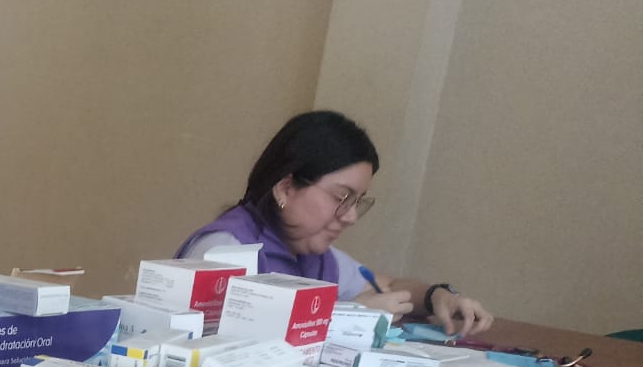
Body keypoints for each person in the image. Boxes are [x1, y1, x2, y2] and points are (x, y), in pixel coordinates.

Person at [176, 110, 493, 336]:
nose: (351, 216)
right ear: (285, 188)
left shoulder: (313, 254)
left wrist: (438, 297)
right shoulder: (224, 250)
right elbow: (218, 344)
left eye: (358, 202)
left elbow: (386, 287)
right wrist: (347, 316)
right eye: (341, 197)